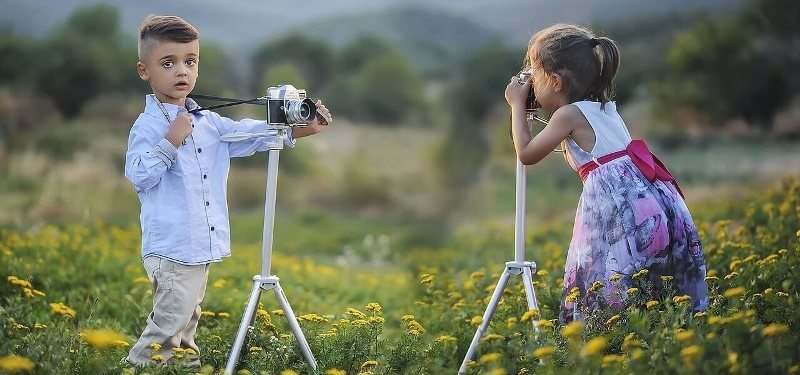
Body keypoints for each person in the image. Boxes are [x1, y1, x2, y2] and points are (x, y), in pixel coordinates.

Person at [123, 15, 332, 367]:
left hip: (198, 245)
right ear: (144, 71)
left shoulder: (208, 121)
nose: (182, 72)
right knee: (168, 324)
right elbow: (138, 175)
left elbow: (247, 133)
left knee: (187, 319)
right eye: (168, 63)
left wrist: (298, 130)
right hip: (173, 247)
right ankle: (137, 368)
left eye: (190, 62)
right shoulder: (149, 125)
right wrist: (171, 141)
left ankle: (184, 368)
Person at [504, 24, 707, 323]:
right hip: (654, 206)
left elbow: (527, 153)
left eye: (534, 74)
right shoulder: (605, 108)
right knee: (648, 287)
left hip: (618, 214)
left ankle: (609, 342)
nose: (530, 83)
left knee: (605, 281)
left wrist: (516, 104)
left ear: (556, 81)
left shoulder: (568, 115)